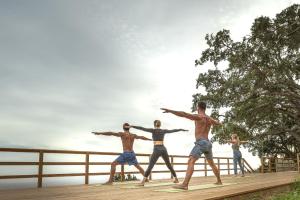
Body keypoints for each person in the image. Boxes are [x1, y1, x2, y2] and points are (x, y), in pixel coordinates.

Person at [161, 101, 222, 190]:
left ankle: (185, 184)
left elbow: (184, 114)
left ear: (198, 107)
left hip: (201, 142)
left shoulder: (199, 117)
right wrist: (219, 123)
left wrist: (171, 111)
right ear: (205, 108)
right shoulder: (209, 119)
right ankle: (219, 181)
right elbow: (217, 123)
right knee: (211, 163)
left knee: (191, 161)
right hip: (208, 143)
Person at [129, 120, 188, 186]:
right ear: (160, 125)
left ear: (154, 125)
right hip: (163, 149)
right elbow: (173, 130)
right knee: (169, 165)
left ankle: (142, 182)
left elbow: (142, 128)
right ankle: (176, 179)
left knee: (150, 165)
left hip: (157, 149)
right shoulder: (163, 131)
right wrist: (181, 129)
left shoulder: (153, 130)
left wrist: (132, 126)